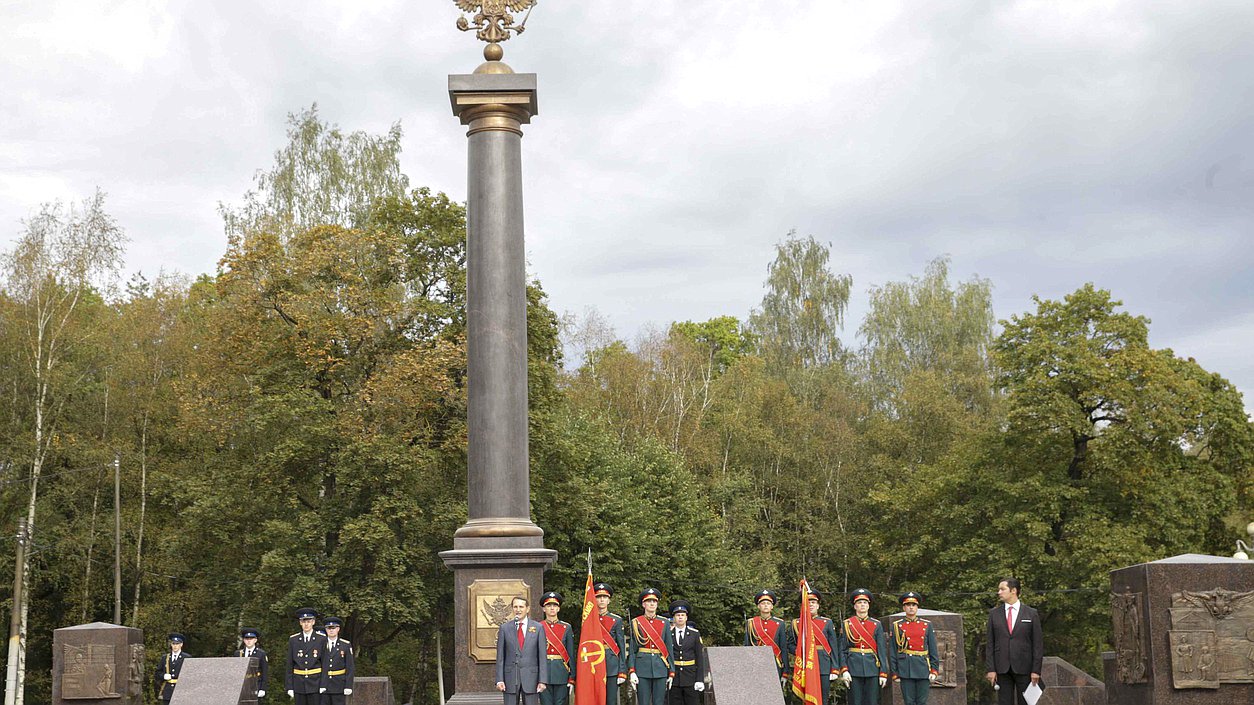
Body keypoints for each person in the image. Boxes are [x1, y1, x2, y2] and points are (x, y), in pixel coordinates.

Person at [984, 577, 1044, 705]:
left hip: (1025, 668)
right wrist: (991, 669)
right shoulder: (994, 614)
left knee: (1026, 702)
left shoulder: (1031, 613)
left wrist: (1036, 670)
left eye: (1002, 589)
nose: (999, 592)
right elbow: (990, 643)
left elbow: (1037, 644)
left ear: (1013, 591)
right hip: (1002, 668)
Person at [789, 587, 840, 705]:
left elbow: (834, 647)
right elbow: (790, 644)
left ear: (818, 606)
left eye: (813, 602)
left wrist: (835, 668)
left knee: (823, 697)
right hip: (805, 665)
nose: (810, 605)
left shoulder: (827, 623)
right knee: (805, 699)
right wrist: (800, 652)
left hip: (823, 665)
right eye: (808, 602)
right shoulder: (796, 623)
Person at [839, 588, 889, 705]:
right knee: (855, 701)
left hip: (872, 668)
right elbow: (842, 649)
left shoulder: (876, 624)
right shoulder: (847, 624)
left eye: (865, 603)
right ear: (855, 606)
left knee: (872, 701)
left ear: (868, 606)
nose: (862, 605)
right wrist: (844, 669)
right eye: (859, 603)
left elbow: (881, 650)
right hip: (853, 668)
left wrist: (883, 672)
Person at [496, 595, 548, 705]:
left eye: (521, 607)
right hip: (510, 678)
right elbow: (500, 656)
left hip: (531, 678)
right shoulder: (505, 628)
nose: (518, 610)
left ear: (527, 609)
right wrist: (499, 679)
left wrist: (542, 680)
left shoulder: (538, 628)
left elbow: (542, 656)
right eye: (515, 607)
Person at [888, 592, 938, 705]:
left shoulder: (927, 625)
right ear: (904, 607)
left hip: (923, 667)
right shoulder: (897, 626)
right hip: (906, 668)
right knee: (909, 702)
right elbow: (893, 651)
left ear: (917, 607)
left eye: (913, 605)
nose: (911, 607)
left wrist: (934, 669)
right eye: (908, 605)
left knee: (922, 701)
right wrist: (895, 672)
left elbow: (933, 649)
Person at [628, 587, 674, 705]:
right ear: (643, 604)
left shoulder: (664, 622)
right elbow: (632, 650)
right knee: (643, 702)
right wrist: (632, 671)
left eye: (654, 601)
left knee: (659, 702)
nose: (652, 604)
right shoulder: (636, 622)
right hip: (642, 668)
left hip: (660, 667)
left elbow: (669, 648)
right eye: (649, 601)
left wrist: (672, 672)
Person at [744, 589, 791, 688]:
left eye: (768, 603)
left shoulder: (780, 623)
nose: (765, 605)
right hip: (755, 663)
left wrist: (785, 671)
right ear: (758, 606)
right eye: (763, 603)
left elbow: (783, 647)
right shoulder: (751, 623)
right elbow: (747, 646)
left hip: (774, 663)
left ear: (772, 606)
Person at [593, 582, 628, 705]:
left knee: (611, 700)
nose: (602, 600)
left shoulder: (616, 620)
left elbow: (621, 647)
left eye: (605, 597)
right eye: (598, 597)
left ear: (609, 601)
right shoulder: (589, 619)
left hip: (611, 665)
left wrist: (622, 671)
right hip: (594, 663)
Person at [538, 591, 576, 705]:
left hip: (561, 672)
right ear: (544, 609)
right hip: (543, 673)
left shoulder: (566, 627)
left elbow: (570, 653)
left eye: (555, 605)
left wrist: (572, 676)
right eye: (548, 606)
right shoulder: (538, 627)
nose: (552, 608)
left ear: (559, 609)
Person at [668, 600, 705, 705]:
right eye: (678, 615)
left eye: (682, 615)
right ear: (674, 618)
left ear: (686, 618)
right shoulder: (668, 634)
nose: (680, 617)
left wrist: (700, 679)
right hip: (674, 677)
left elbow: (699, 658)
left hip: (690, 677)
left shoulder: (694, 634)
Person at [286, 607, 326, 705]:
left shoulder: (321, 639)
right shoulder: (294, 640)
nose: (306, 624)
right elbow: (289, 664)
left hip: (315, 683)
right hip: (299, 683)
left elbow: (325, 663)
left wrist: (323, 684)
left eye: (308, 621)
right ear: (300, 623)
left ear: (313, 622)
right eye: (304, 621)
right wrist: (289, 686)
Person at [321, 616, 354, 704]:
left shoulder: (345, 645)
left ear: (338, 629)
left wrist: (348, 686)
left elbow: (350, 667)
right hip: (323, 684)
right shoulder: (320, 644)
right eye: (328, 628)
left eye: (333, 628)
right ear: (326, 629)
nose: (331, 630)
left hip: (339, 685)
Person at [154, 632, 188, 702]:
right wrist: (163, 676)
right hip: (167, 692)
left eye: (177, 644)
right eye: (173, 644)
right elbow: (157, 673)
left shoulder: (186, 658)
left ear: (181, 644)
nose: (175, 646)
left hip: (181, 690)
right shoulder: (165, 658)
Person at [236, 627, 268, 700]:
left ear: (255, 640)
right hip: (242, 687)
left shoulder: (261, 654)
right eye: (247, 639)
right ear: (244, 640)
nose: (249, 641)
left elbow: (265, 672)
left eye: (251, 639)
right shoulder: (238, 653)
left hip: (256, 685)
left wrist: (263, 688)